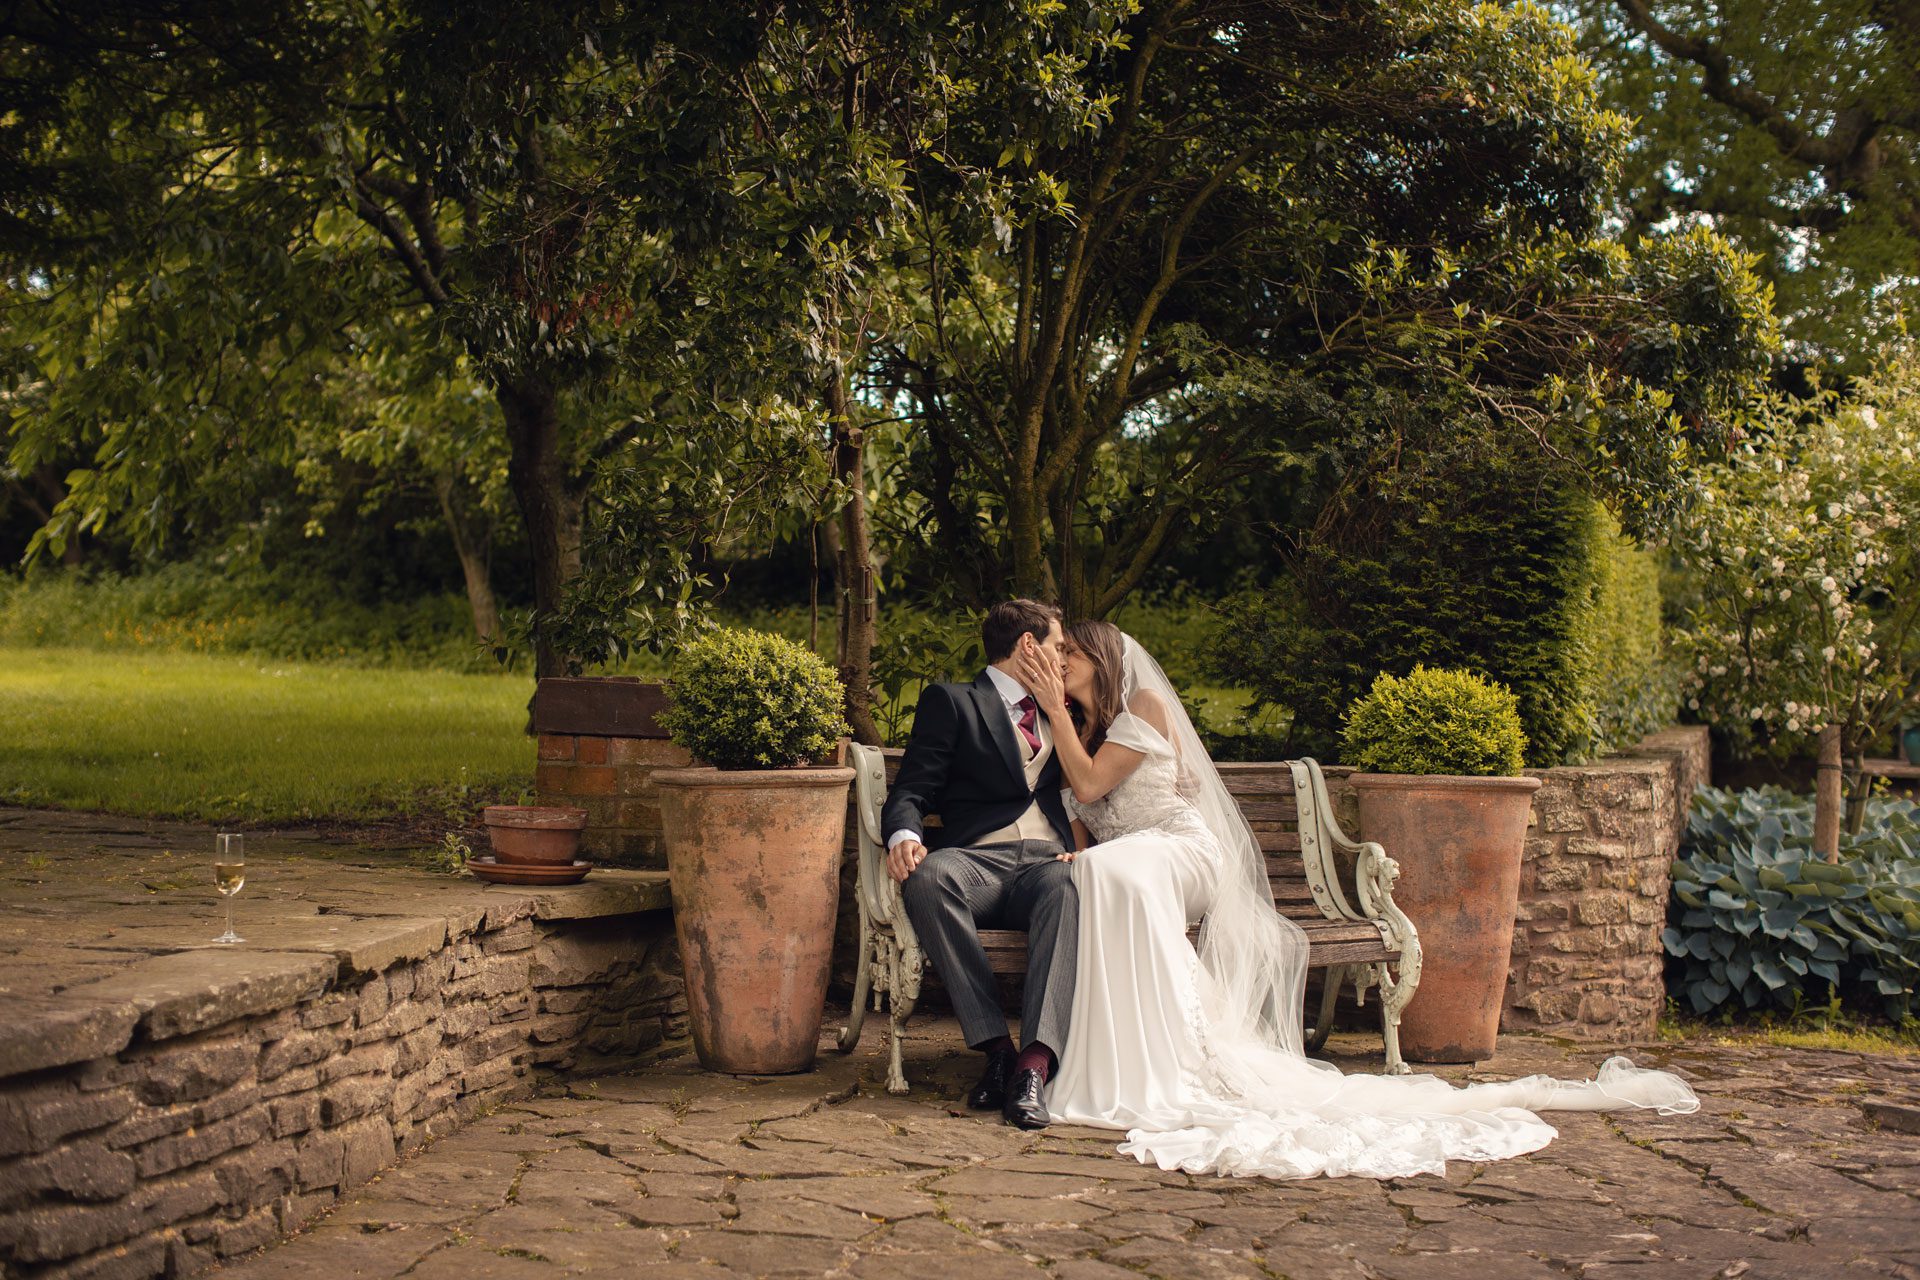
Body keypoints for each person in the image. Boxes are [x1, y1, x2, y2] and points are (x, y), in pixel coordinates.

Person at [1012, 619, 1700, 1179]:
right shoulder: (1088, 732)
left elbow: (1095, 785)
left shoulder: (1145, 708)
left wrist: (1054, 716)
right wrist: (1073, 837)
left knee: (1114, 873)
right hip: (1135, 862)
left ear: (1104, 658)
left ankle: (1158, 1060)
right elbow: (1086, 819)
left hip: (1182, 853)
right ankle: (1146, 1056)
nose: (1059, 662)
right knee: (1094, 874)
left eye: (1069, 652)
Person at [883, 599, 1078, 1130]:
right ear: (1028, 646)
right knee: (928, 876)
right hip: (978, 862)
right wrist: (904, 833)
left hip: (1047, 861)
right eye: (1059, 647)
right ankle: (997, 1050)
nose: (1066, 659)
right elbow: (912, 789)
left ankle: (1033, 1070)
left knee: (1070, 884)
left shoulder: (1068, 709)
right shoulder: (953, 702)